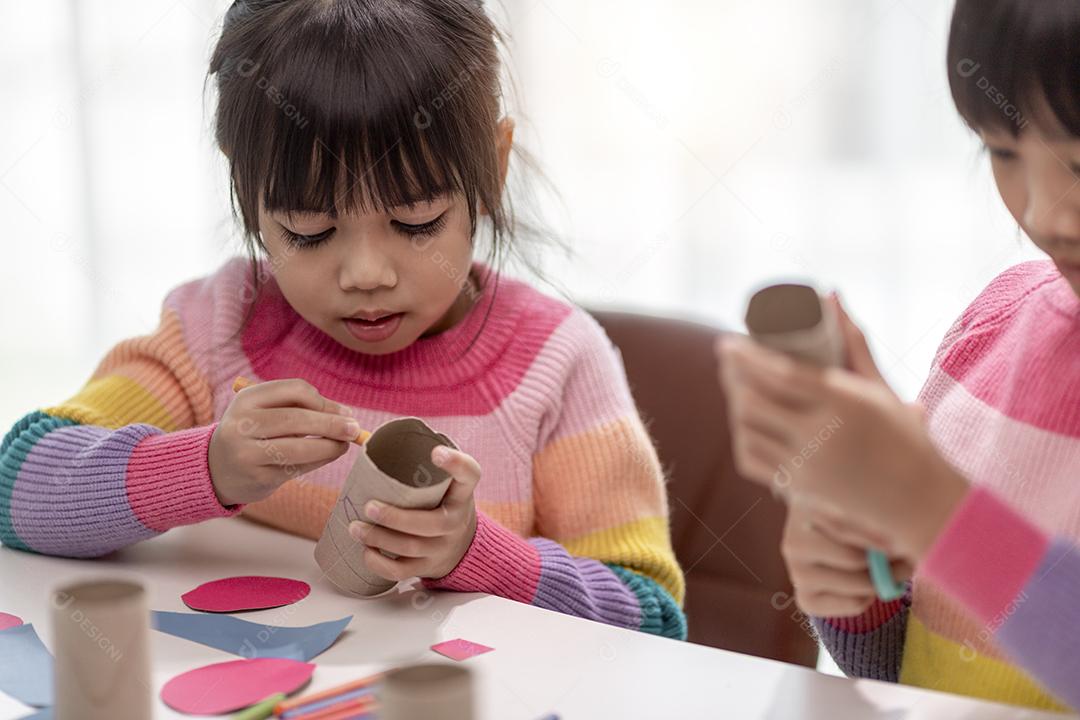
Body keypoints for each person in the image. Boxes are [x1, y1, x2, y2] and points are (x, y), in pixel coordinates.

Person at [0, 0, 685, 640]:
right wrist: (209, 466)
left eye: (416, 222)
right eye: (308, 231)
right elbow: (19, 490)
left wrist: (473, 551)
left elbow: (652, 621)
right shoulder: (218, 328)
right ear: (245, 186)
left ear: (493, 166)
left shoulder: (555, 364)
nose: (366, 274)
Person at [721, 0, 1080, 710]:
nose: (1044, 214)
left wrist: (932, 511)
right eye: (1001, 150)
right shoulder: (995, 328)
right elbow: (921, 672)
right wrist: (862, 592)